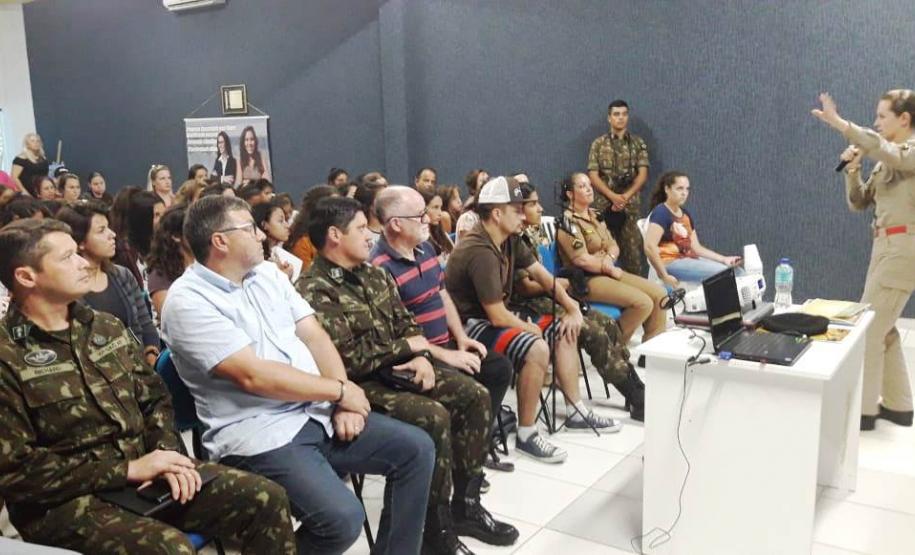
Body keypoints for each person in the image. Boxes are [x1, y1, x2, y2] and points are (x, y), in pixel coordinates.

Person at [0, 218, 297, 555]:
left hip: (146, 474)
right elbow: (17, 471)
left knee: (265, 498)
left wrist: (166, 455)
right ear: (26, 276)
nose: (84, 263)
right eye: (67, 258)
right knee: (171, 550)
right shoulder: (7, 354)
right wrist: (125, 470)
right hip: (65, 500)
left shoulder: (104, 327)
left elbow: (154, 399)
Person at [161, 196, 434, 554]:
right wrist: (337, 392)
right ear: (220, 241)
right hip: (259, 433)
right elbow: (253, 376)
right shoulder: (187, 302)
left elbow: (314, 335)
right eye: (249, 228)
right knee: (341, 519)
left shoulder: (267, 275)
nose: (262, 235)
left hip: (315, 411)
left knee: (416, 449)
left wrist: (344, 400)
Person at [298, 197, 519, 554]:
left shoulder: (371, 274)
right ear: (335, 235)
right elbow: (347, 357)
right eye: (361, 229)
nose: (371, 236)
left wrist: (422, 356)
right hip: (359, 384)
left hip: (398, 368)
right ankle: (434, 528)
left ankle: (464, 506)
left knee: (474, 395)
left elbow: (407, 324)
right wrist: (409, 349)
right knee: (432, 417)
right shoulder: (314, 288)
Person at [445, 177, 620, 463]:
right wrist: (531, 330)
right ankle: (527, 434)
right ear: (498, 213)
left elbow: (541, 275)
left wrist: (571, 307)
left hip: (492, 317)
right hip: (468, 326)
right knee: (536, 347)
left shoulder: (508, 239)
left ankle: (576, 411)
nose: (524, 214)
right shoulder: (479, 250)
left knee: (564, 328)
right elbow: (496, 314)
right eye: (517, 209)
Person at [372, 186, 514, 463]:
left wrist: (460, 337)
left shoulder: (424, 248)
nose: (428, 220)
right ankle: (462, 458)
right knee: (471, 390)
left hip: (444, 343)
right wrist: (447, 355)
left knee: (498, 368)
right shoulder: (379, 268)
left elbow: (442, 294)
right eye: (420, 216)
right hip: (418, 357)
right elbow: (399, 334)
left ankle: (475, 445)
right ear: (396, 224)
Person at [812, 90, 915, 430]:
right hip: (885, 247)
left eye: (882, 116)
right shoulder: (888, 159)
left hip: (903, 249)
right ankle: (899, 406)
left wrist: (841, 123)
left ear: (905, 119)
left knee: (868, 329)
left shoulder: (906, 153)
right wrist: (853, 170)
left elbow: (887, 149)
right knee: (882, 329)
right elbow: (859, 202)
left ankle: (863, 412)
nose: (876, 122)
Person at [514, 182, 645, 421]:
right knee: (591, 331)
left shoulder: (531, 234)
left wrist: (561, 286)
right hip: (526, 305)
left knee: (606, 322)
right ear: (518, 209)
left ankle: (633, 386)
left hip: (548, 296)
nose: (541, 208)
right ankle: (638, 397)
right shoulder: (514, 241)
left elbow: (545, 278)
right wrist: (563, 284)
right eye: (533, 204)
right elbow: (525, 287)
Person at [558, 173, 666, 344]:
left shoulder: (595, 215)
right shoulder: (567, 222)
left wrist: (607, 258)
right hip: (585, 279)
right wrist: (606, 266)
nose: (588, 189)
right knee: (643, 303)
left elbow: (614, 245)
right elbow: (582, 260)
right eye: (582, 186)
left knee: (660, 295)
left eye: (589, 185)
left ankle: (652, 349)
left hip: (607, 270)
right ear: (570, 194)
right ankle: (613, 347)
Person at [55, 202, 160, 366]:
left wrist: (151, 354)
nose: (112, 235)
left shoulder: (122, 275)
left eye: (109, 227)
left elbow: (145, 325)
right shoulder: (66, 291)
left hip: (138, 368)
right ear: (80, 241)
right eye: (101, 230)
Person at [644, 171, 742, 286]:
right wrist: (664, 275)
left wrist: (724, 259)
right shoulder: (661, 212)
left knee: (738, 271)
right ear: (667, 189)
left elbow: (696, 247)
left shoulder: (685, 214)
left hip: (688, 259)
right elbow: (649, 247)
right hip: (671, 262)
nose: (684, 193)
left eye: (687, 189)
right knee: (726, 275)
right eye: (679, 189)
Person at [587, 99, 650, 276]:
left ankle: (638, 294)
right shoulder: (598, 144)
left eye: (624, 114)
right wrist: (612, 196)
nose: (620, 118)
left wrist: (625, 197)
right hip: (603, 205)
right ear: (609, 118)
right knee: (602, 250)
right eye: (616, 114)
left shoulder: (638, 143)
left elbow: (643, 174)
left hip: (629, 206)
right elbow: (593, 174)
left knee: (633, 253)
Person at [146, 205, 192, 318]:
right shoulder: (160, 274)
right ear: (176, 236)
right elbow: (172, 316)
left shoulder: (207, 262)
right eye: (193, 229)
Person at [287, 185, 338, 271]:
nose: (339, 210)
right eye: (333, 206)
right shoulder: (303, 243)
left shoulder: (339, 235)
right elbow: (307, 277)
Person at [252, 199, 302, 282]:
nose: (287, 226)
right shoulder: (257, 261)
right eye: (280, 221)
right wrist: (283, 277)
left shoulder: (276, 254)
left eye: (286, 220)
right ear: (264, 224)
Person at [420, 188, 455, 265]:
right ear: (423, 209)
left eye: (440, 208)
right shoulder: (419, 241)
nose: (440, 213)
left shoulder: (442, 233)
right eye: (435, 207)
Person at [454, 170, 489, 243]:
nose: (487, 184)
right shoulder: (468, 218)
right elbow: (468, 249)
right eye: (483, 181)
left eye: (488, 180)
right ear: (473, 187)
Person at [353, 181, 387, 251]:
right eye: (383, 200)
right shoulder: (362, 237)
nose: (390, 203)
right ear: (369, 205)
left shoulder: (397, 230)